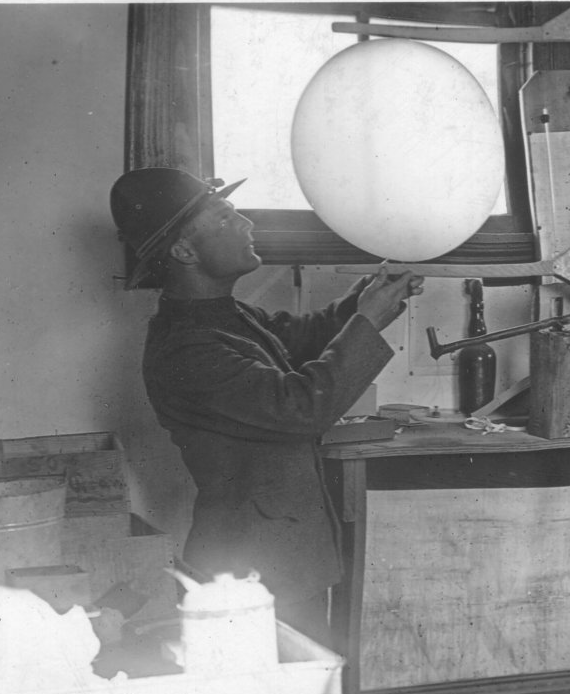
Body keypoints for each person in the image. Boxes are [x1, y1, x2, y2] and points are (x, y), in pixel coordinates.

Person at [109, 167, 423, 645]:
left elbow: (300, 339)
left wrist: (364, 300)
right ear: (184, 251)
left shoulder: (224, 317)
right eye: (224, 217)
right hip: (249, 573)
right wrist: (367, 321)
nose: (247, 224)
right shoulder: (187, 349)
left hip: (283, 562)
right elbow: (301, 407)